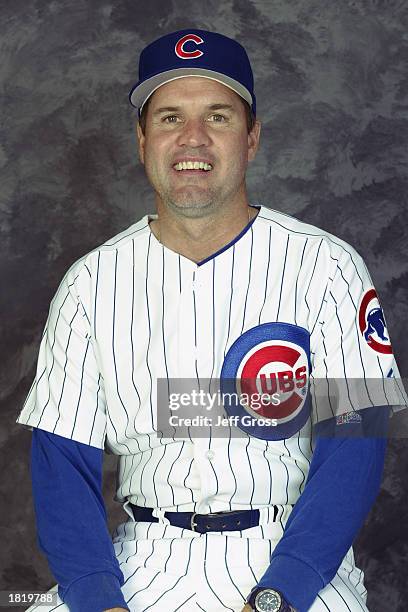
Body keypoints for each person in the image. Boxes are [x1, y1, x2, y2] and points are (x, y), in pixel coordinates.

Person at [16, 29, 407, 612]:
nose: (191, 138)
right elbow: (61, 464)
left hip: (288, 554)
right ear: (142, 139)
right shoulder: (90, 281)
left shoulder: (327, 264)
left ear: (251, 138)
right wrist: (99, 599)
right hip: (143, 556)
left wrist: (283, 592)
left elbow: (353, 449)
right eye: (170, 117)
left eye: (218, 116)